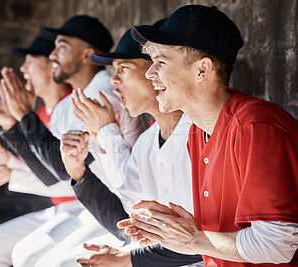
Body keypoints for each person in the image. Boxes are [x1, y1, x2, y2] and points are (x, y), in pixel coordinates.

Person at [117, 5, 298, 266]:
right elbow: (218, 235)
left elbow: (278, 244)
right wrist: (171, 228)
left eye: (161, 62)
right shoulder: (196, 131)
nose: (149, 73)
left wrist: (193, 238)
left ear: (202, 70)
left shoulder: (255, 126)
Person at [0, 15, 146, 266]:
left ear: (88, 54)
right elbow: (51, 174)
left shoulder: (102, 92)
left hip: (118, 209)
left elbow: (61, 170)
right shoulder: (74, 99)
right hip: (100, 206)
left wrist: (22, 116)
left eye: (62, 47)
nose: (52, 55)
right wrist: (15, 123)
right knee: (25, 255)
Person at [59, 26, 203, 267]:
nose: (114, 80)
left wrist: (128, 259)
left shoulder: (201, 133)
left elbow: (202, 240)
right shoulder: (148, 141)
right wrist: (79, 173)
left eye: (124, 69)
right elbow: (125, 218)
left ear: (156, 71)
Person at [0, 36, 84, 267]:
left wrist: (11, 168)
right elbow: (44, 170)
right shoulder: (41, 114)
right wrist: (4, 158)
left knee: (28, 256)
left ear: (53, 64)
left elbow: (66, 177)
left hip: (84, 204)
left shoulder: (75, 106)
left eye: (30, 61)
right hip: (62, 206)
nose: (23, 69)